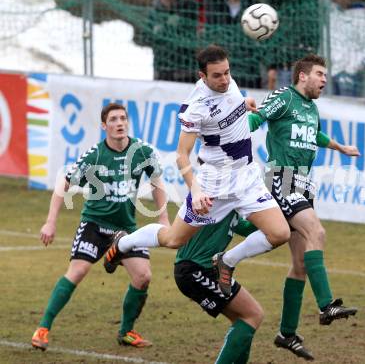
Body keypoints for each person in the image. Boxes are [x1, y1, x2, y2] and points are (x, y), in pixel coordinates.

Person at [103, 45, 291, 283]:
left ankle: (227, 261)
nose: (224, 79)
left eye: (227, 72)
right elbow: (182, 154)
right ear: (202, 76)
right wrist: (197, 190)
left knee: (280, 233)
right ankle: (124, 242)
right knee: (174, 239)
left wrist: (245, 103)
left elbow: (229, 104)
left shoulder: (229, 84)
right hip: (213, 185)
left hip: (246, 177)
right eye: (217, 75)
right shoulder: (197, 108)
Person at [214, 54, 360, 359]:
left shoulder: (312, 108)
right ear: (302, 76)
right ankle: (327, 305)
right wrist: (243, 118)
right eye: (320, 74)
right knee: (316, 232)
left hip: (305, 183)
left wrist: (340, 147)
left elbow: (313, 135)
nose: (324, 80)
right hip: (283, 177)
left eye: (325, 75)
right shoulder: (285, 96)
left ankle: (287, 334)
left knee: (300, 263)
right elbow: (259, 118)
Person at [31, 103, 169, 351]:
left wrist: (164, 220)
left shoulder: (141, 151)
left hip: (125, 228)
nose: (120, 123)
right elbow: (64, 182)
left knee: (143, 276)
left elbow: (158, 182)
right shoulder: (94, 155)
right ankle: (43, 328)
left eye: (123, 118)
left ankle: (126, 332)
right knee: (78, 271)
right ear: (104, 126)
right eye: (114, 119)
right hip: (95, 225)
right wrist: (50, 221)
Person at [174, 211, 268, 363]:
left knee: (244, 319)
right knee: (253, 315)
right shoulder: (221, 195)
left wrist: (275, 220)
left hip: (204, 269)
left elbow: (245, 228)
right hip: (196, 269)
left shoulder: (232, 203)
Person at [328, 0, 365, 97]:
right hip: (329, 72)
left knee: (348, 111)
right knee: (328, 111)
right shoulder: (331, 14)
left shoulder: (362, 17)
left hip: (349, 74)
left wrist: (352, 69)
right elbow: (326, 41)